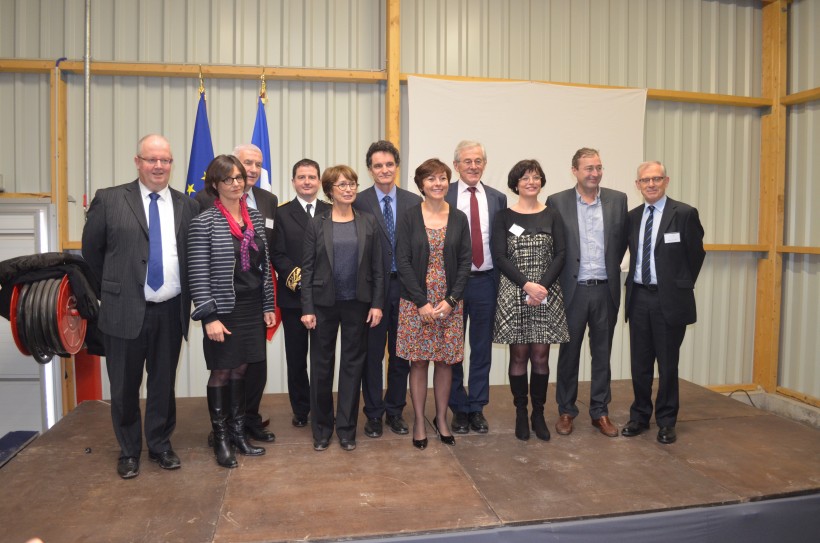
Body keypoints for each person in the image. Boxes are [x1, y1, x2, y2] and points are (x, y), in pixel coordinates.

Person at [82, 134, 199, 479]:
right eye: (151, 159)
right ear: (138, 162)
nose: (159, 166)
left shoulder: (186, 205)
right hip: (124, 311)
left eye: (165, 160)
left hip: (170, 309)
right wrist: (120, 289)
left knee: (163, 384)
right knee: (124, 386)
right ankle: (129, 450)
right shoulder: (110, 199)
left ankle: (161, 445)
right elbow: (92, 254)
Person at [188, 155, 277, 468]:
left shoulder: (254, 217)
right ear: (215, 184)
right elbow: (198, 273)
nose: (237, 183)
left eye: (240, 177)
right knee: (222, 371)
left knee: (242, 369)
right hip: (223, 309)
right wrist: (208, 316)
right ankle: (221, 438)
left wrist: (268, 305)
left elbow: (264, 267)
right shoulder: (204, 222)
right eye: (228, 179)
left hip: (252, 306)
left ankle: (239, 434)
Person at [300, 165, 384, 452]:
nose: (349, 189)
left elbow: (378, 268)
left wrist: (376, 304)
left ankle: (346, 429)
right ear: (330, 191)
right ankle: (322, 429)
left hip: (357, 305)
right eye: (342, 185)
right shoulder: (316, 223)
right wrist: (307, 307)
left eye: (352, 184)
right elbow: (307, 269)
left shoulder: (369, 222)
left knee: (352, 367)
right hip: (322, 306)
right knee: (321, 368)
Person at [546, 147, 628, 438]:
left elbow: (618, 245)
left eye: (598, 168)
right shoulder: (557, 202)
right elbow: (554, 248)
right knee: (569, 353)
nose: (594, 174)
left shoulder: (618, 200)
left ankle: (600, 411)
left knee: (602, 354)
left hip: (605, 289)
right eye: (588, 168)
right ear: (575, 171)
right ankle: (566, 410)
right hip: (573, 290)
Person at [622, 161, 705, 444]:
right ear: (638, 185)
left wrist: (677, 285)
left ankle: (667, 421)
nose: (652, 184)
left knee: (668, 364)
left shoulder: (683, 213)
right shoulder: (633, 217)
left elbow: (696, 256)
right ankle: (639, 416)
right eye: (645, 180)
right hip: (639, 296)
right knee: (640, 363)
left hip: (669, 300)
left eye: (657, 179)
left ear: (666, 181)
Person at [396, 158, 472, 449]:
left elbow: (466, 262)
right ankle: (418, 421)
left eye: (442, 178)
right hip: (416, 301)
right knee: (418, 363)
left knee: (444, 363)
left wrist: (451, 300)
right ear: (421, 185)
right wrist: (421, 302)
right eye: (431, 179)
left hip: (450, 301)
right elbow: (402, 260)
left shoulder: (459, 218)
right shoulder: (409, 216)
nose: (437, 184)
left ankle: (441, 419)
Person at [492, 160, 570, 441]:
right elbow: (500, 257)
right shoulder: (503, 216)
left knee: (540, 356)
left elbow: (561, 254)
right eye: (525, 178)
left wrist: (541, 288)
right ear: (516, 183)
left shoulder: (553, 215)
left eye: (536, 177)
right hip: (514, 293)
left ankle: (539, 413)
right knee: (519, 356)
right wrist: (526, 285)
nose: (531, 182)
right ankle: (520, 412)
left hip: (547, 295)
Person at [353, 141, 422, 439]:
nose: (384, 170)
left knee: (401, 354)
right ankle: (373, 414)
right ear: (370, 170)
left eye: (389, 164)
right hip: (371, 293)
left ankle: (395, 410)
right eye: (378, 165)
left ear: (397, 166)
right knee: (371, 355)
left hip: (406, 289)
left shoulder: (412, 201)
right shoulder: (358, 201)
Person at [445, 140, 507, 434]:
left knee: (481, 348)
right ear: (456, 165)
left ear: (485, 164)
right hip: (451, 286)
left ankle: (477, 407)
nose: (473, 166)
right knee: (454, 349)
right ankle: (458, 407)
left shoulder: (498, 198)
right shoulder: (444, 195)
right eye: (467, 161)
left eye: (478, 161)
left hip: (486, 282)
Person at [271, 158, 330, 428]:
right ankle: (301, 409)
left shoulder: (332, 211)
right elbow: (278, 255)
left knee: (322, 358)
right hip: (294, 299)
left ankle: (321, 407)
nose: (307, 182)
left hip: (326, 298)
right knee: (296, 359)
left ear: (319, 181)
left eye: (312, 177)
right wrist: (302, 282)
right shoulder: (281, 213)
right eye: (301, 177)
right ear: (293, 181)